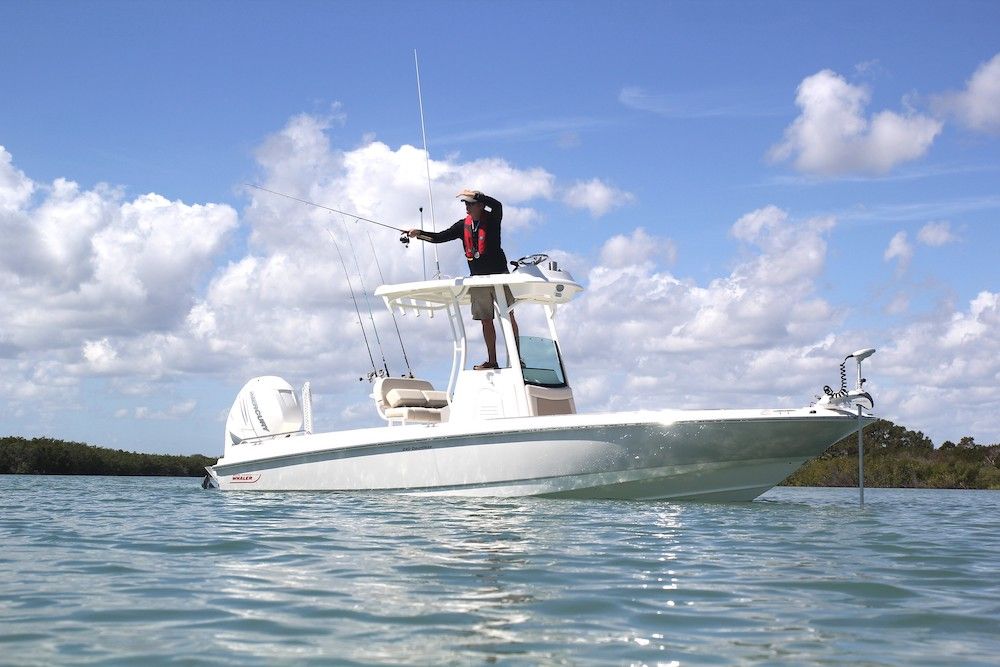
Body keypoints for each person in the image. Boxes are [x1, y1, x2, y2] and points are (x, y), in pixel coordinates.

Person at [407, 189, 519, 370]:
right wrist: (419, 233)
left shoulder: (492, 218)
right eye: (465, 204)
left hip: (499, 275)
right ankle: (492, 361)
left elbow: (497, 205)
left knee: (508, 315)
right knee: (485, 320)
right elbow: (439, 238)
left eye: (470, 203)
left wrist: (478, 196)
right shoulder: (462, 226)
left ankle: (517, 358)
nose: (467, 207)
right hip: (477, 280)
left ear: (481, 205)